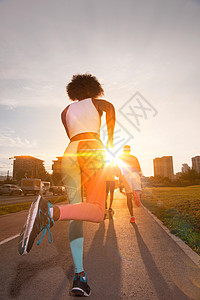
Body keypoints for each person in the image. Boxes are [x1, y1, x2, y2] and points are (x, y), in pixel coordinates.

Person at [18, 73, 115, 297]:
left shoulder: (65, 112)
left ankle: (80, 277)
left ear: (73, 92)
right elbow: (109, 135)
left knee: (77, 210)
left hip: (69, 153)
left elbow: (71, 135)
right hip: (92, 147)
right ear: (94, 88)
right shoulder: (103, 104)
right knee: (98, 211)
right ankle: (49, 212)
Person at [118, 145, 142, 223]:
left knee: (128, 196)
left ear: (123, 150)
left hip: (127, 175)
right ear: (130, 150)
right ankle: (136, 194)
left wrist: (121, 177)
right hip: (135, 174)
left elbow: (118, 168)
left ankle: (132, 216)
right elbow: (139, 169)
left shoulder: (120, 157)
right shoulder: (134, 158)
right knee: (137, 191)